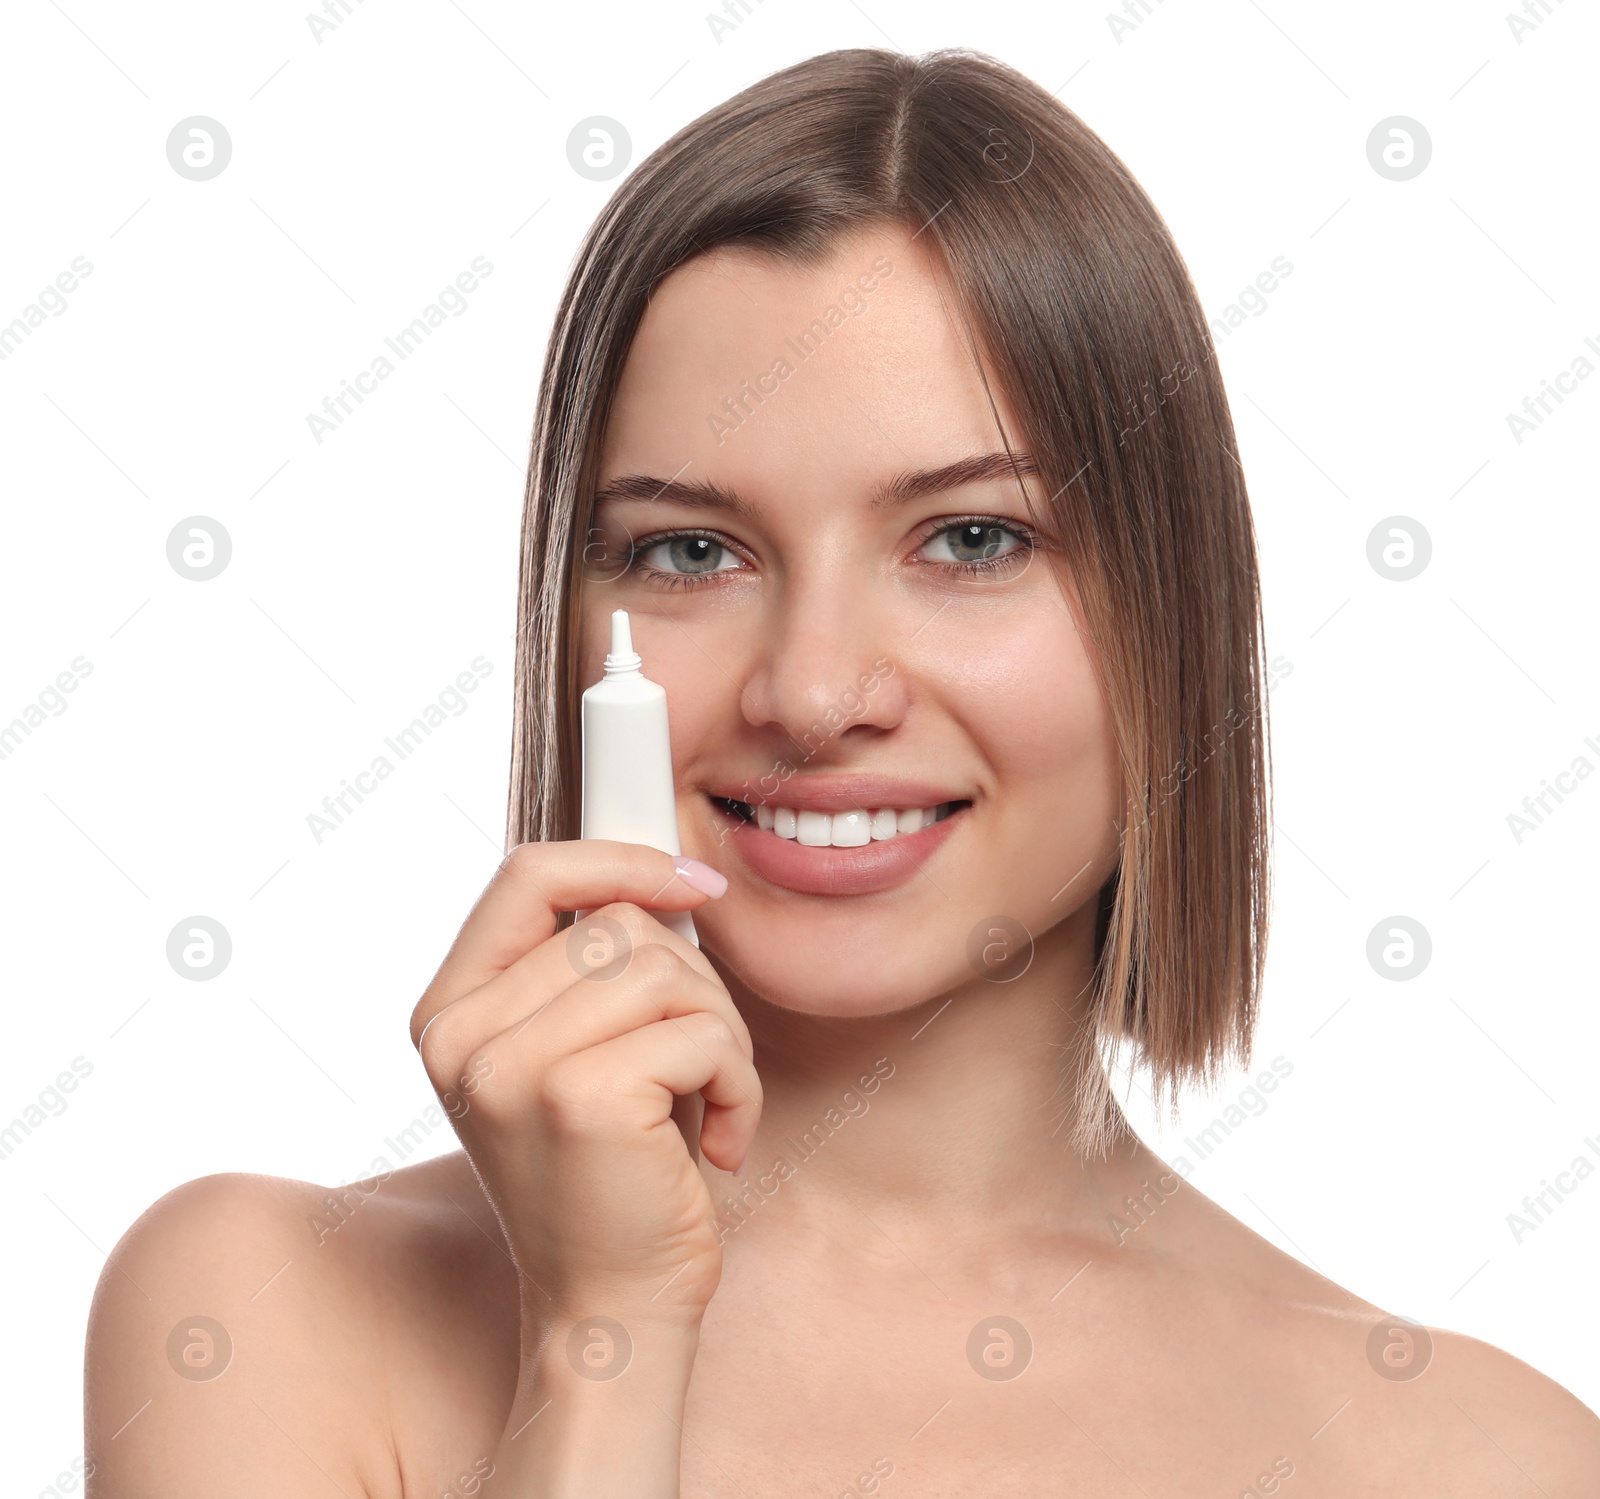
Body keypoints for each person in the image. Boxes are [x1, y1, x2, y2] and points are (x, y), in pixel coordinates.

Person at [85, 46, 1600, 1497]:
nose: (812, 694)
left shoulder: (1484, 1461)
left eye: (972, 541)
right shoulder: (264, 1321)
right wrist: (602, 1342)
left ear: (1175, 613)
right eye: (690, 550)